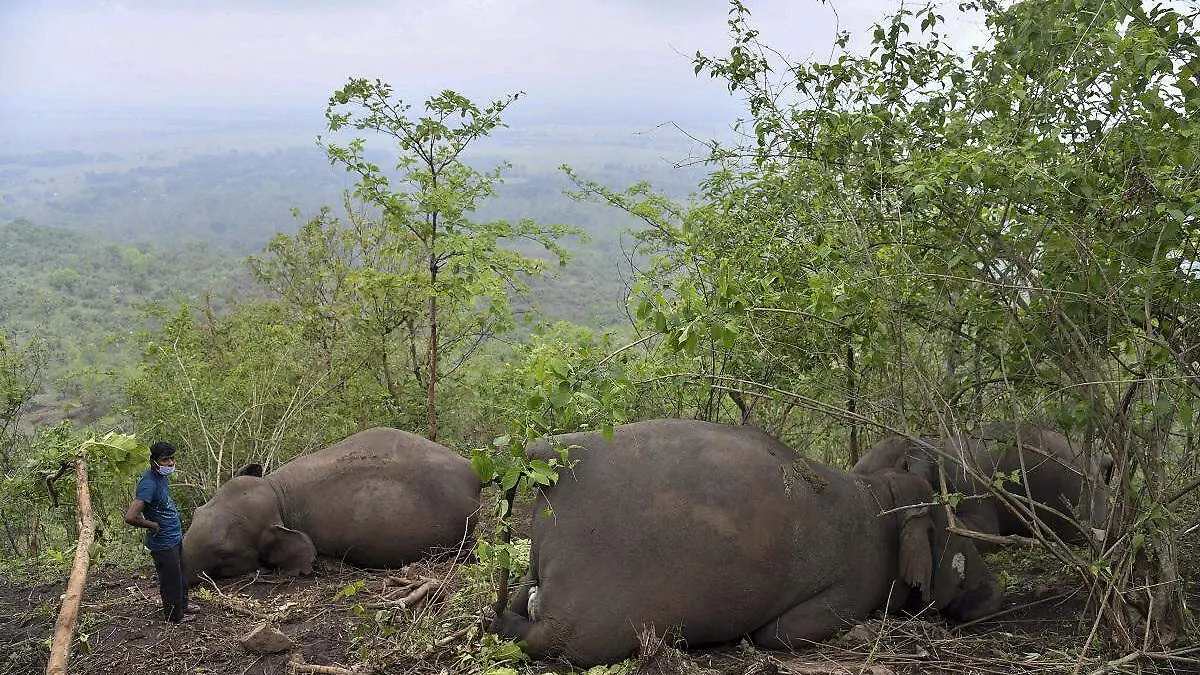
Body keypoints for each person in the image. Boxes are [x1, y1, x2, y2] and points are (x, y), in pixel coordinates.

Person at [123, 440, 198, 623]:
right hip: (162, 542)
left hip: (174, 536)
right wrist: (152, 525)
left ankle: (183, 605)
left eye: (171, 459)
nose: (170, 463)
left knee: (181, 575)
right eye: (165, 460)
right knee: (170, 580)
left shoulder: (161, 478)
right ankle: (174, 616)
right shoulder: (148, 484)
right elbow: (130, 516)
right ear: (154, 461)